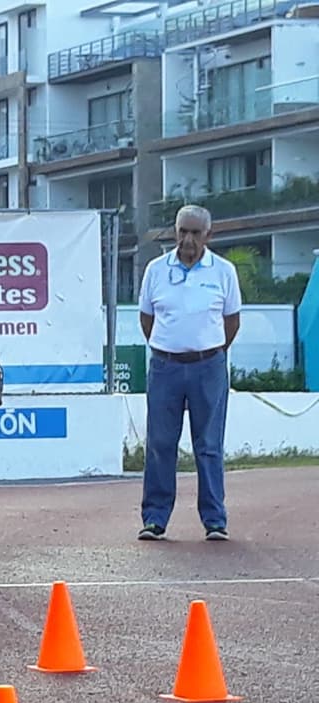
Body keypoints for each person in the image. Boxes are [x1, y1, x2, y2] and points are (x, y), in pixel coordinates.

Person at [137, 204, 241, 541]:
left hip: (208, 366)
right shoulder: (155, 270)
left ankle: (214, 520)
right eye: (183, 231)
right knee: (160, 443)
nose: (188, 239)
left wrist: (208, 350)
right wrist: (169, 347)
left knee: (209, 444)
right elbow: (146, 318)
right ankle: (154, 519)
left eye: (196, 233)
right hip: (165, 366)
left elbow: (232, 321)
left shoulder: (223, 272)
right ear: (175, 231)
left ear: (208, 235)